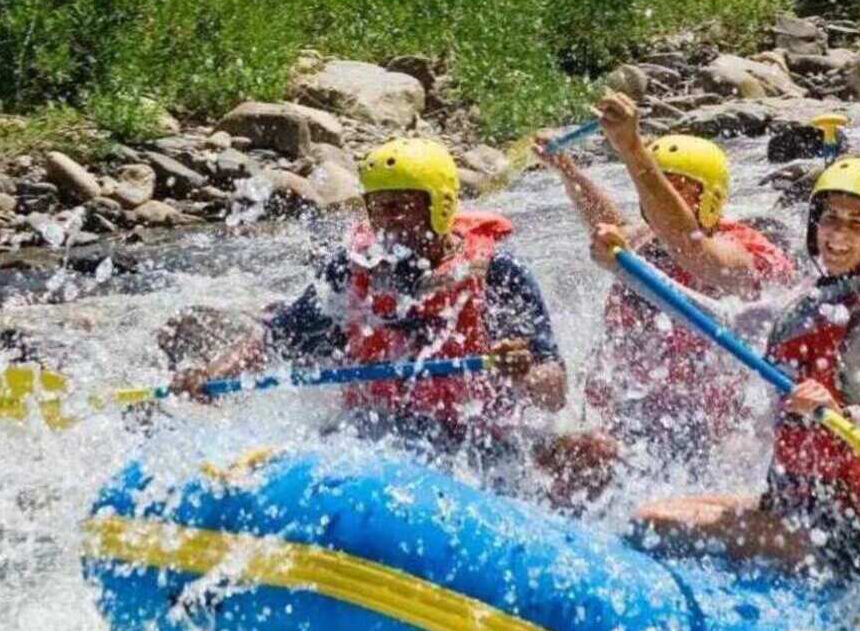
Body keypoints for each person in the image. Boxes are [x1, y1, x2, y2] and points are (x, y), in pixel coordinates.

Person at [630, 157, 860, 576]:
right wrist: (624, 267)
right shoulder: (807, 302)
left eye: (856, 224)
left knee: (650, 521)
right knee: (656, 508)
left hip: (843, 531)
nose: (837, 234)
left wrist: (841, 414)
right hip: (790, 502)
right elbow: (717, 321)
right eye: (830, 219)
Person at [166, 137, 566, 471]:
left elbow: (555, 391)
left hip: (476, 442)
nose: (385, 222)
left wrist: (523, 372)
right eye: (376, 207)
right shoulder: (352, 271)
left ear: (438, 206)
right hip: (372, 429)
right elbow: (277, 339)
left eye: (397, 207)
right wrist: (210, 375)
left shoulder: (498, 273)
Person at [543, 92, 795, 472]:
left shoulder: (747, 253)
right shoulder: (644, 239)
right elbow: (609, 222)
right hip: (634, 411)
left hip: (706, 428)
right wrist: (567, 170)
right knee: (557, 454)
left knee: (586, 458)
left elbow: (693, 250)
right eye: (654, 188)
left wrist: (632, 149)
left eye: (673, 189)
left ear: (710, 200)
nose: (656, 199)